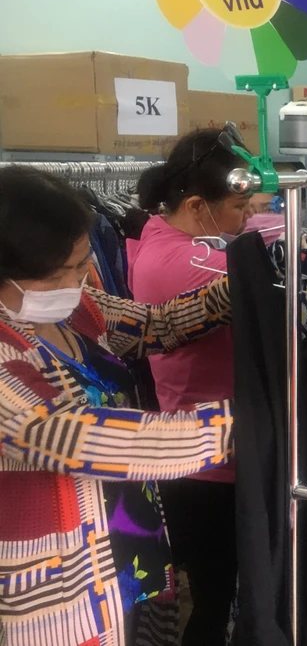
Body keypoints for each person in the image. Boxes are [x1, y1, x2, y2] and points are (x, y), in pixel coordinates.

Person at [0, 166, 234, 646]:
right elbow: (75, 433)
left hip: (127, 544)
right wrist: (237, 425)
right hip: (62, 576)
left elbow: (156, 325)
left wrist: (238, 286)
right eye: (58, 274)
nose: (77, 280)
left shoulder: (77, 309)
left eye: (81, 264)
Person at [130, 126, 251, 645]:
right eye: (239, 207)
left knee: (215, 591)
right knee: (214, 597)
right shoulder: (182, 262)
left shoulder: (162, 235)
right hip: (205, 462)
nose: (247, 216)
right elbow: (253, 273)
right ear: (198, 205)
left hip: (207, 452)